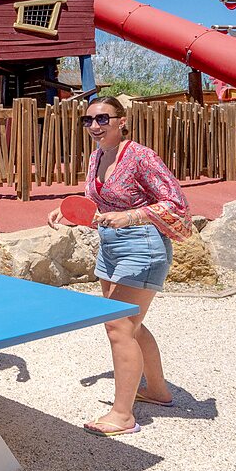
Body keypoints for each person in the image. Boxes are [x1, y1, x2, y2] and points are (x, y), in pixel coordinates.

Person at [48, 95, 192, 437]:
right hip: (111, 248)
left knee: (118, 327)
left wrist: (130, 216)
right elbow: (98, 203)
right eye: (88, 121)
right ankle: (157, 391)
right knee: (132, 326)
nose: (95, 126)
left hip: (142, 247)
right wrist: (67, 212)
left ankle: (123, 415)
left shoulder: (141, 156)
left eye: (102, 119)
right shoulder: (98, 156)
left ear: (122, 120)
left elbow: (175, 202)